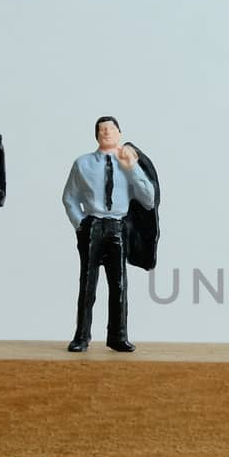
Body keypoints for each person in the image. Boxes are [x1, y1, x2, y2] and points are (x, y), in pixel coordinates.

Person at [61, 116, 160, 352]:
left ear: (120, 134)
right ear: (96, 135)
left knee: (119, 286)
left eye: (111, 129)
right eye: (102, 130)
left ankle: (118, 336)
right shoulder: (83, 163)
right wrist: (80, 223)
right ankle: (81, 336)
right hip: (93, 226)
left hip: (117, 226)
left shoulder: (128, 164)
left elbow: (149, 199)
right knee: (88, 284)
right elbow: (69, 197)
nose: (106, 133)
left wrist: (132, 168)